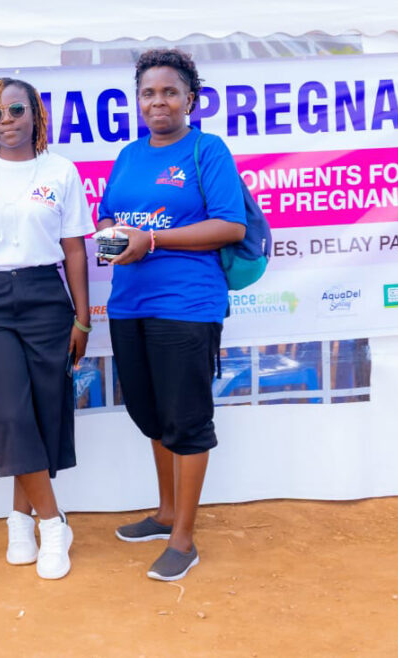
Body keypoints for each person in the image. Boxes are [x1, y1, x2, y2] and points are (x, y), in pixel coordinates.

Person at [96, 48, 246, 582]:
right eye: (148, 93)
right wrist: (116, 232)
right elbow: (109, 213)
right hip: (128, 303)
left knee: (186, 421)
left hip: (186, 306)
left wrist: (153, 239)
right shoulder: (130, 154)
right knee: (151, 415)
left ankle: (183, 538)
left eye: (169, 92)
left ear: (191, 99)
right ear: (138, 101)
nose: (158, 102)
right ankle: (163, 514)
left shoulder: (207, 150)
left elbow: (231, 226)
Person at [0, 77, 93, 580]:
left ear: (35, 114)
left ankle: (17, 520)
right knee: (10, 414)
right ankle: (54, 523)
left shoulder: (61, 171)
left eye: (15, 110)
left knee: (42, 411)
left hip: (46, 300)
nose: (7, 121)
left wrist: (82, 316)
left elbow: (74, 249)